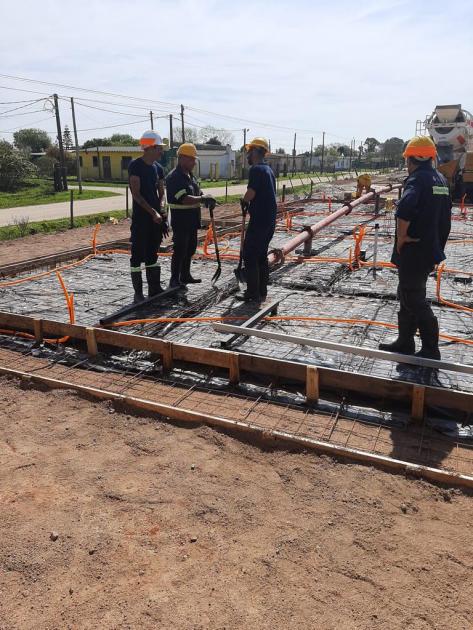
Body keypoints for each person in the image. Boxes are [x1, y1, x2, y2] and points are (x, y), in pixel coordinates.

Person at [379, 136, 452, 360]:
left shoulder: (416, 180)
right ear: (430, 157)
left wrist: (401, 238)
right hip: (430, 249)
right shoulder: (440, 180)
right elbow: (445, 220)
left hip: (414, 249)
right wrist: (437, 249)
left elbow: (404, 210)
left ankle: (431, 348)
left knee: (413, 297)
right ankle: (405, 342)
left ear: (411, 159)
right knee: (408, 293)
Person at [165, 143, 215, 288]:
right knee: (180, 249)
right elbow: (184, 198)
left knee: (191, 248)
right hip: (181, 221)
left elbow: (197, 193)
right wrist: (202, 199)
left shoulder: (190, 176)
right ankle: (174, 279)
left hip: (192, 220)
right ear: (182, 159)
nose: (194, 162)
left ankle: (185, 275)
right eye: (191, 159)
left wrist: (205, 197)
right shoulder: (174, 177)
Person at [128, 130, 169, 303]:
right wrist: (153, 213)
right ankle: (138, 293)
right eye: (159, 148)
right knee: (137, 255)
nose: (161, 151)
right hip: (142, 219)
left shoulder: (158, 168)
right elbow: (136, 194)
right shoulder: (135, 166)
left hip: (155, 220)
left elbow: (161, 193)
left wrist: (162, 213)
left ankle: (154, 287)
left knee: (153, 253)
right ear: (150, 147)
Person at [237, 137, 277, 302]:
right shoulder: (268, 170)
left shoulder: (256, 170)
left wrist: (244, 201)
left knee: (250, 254)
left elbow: (251, 193)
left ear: (255, 151)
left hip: (260, 220)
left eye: (249, 151)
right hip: (269, 220)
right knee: (261, 255)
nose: (247, 154)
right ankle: (262, 290)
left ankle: (252, 293)